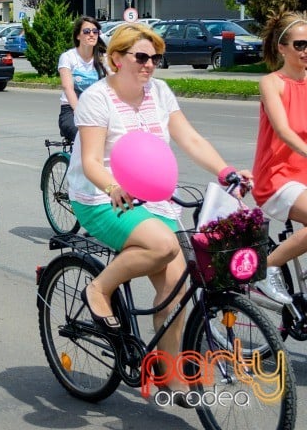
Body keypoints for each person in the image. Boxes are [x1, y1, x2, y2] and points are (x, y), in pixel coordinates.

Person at [67, 24, 251, 397]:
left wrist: (226, 171)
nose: (150, 64)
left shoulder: (161, 93)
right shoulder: (97, 98)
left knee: (176, 289)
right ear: (117, 59)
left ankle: (169, 375)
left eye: (155, 58)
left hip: (153, 199)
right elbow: (90, 161)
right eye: (141, 57)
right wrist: (112, 186)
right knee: (164, 245)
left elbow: (191, 139)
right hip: (102, 198)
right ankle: (99, 289)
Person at [251, 11, 307, 304]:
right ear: (282, 48)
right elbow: (284, 130)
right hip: (278, 178)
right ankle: (268, 265)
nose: (306, 50)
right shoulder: (272, 83)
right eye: (300, 44)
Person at [57, 16, 107, 141]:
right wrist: (81, 112)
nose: (91, 35)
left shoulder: (103, 58)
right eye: (86, 31)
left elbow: (115, 84)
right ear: (78, 36)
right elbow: (68, 88)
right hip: (72, 110)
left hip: (97, 109)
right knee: (86, 138)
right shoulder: (68, 57)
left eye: (95, 31)